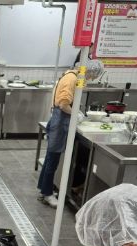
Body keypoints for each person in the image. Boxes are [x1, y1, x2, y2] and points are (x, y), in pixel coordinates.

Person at [37, 59, 104, 207]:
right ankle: (47, 194)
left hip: (59, 121)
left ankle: (43, 189)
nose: (91, 79)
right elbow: (63, 104)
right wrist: (75, 113)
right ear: (90, 71)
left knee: (49, 159)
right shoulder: (72, 79)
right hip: (60, 122)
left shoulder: (72, 75)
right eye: (93, 76)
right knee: (52, 161)